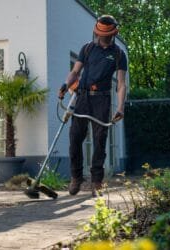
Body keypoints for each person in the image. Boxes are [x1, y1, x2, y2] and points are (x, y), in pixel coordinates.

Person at [58, 15, 128, 197]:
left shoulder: (119, 54)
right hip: (82, 98)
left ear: (113, 33)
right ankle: (76, 178)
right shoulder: (87, 49)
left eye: (105, 35)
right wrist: (66, 85)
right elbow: (75, 72)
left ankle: (97, 182)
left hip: (102, 101)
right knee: (74, 138)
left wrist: (120, 106)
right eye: (99, 34)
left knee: (99, 141)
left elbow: (121, 83)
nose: (102, 37)